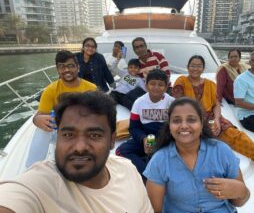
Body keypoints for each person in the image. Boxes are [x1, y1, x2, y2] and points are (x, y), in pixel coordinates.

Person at [0, 91, 154, 213]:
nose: (80, 147)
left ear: (112, 140)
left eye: (94, 135)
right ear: (57, 137)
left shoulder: (128, 170)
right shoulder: (38, 185)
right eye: (68, 135)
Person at [173, 55, 254, 186]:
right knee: (196, 140)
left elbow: (216, 104)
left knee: (235, 135)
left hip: (211, 116)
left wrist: (217, 119)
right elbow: (180, 104)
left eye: (199, 66)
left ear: (203, 68)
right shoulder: (181, 81)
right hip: (189, 117)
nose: (195, 68)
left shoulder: (210, 84)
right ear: (188, 67)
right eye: (192, 66)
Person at [144, 97, 250, 213]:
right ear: (169, 126)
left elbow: (239, 202)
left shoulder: (221, 151)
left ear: (201, 124)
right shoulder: (159, 160)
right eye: (177, 120)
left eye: (191, 120)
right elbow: (154, 210)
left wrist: (241, 190)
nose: (184, 125)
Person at [27, 50, 97, 167]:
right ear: (57, 70)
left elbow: (98, 114)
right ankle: (31, 167)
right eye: (62, 67)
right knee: (43, 127)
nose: (66, 70)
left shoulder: (91, 88)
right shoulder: (50, 90)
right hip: (61, 130)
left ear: (78, 67)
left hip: (84, 128)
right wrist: (37, 120)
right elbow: (40, 115)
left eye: (70, 66)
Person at [116, 69, 174, 176]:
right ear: (146, 86)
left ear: (166, 87)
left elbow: (176, 127)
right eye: (152, 84)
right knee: (121, 151)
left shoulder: (171, 102)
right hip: (145, 138)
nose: (156, 87)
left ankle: (157, 169)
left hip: (165, 139)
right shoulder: (139, 102)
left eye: (160, 85)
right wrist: (143, 139)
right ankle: (147, 173)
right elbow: (134, 127)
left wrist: (163, 140)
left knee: (173, 154)